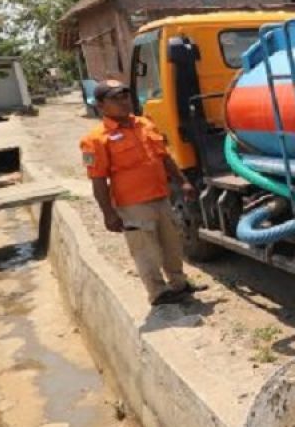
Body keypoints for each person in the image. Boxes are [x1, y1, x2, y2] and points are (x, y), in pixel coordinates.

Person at [80, 80, 203, 306]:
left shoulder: (145, 124)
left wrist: (182, 182)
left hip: (161, 197)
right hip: (133, 205)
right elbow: (98, 180)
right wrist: (108, 213)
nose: (123, 101)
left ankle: (179, 283)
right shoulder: (95, 140)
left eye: (125, 96)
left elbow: (164, 157)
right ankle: (158, 293)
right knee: (146, 251)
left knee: (172, 244)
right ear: (100, 105)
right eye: (115, 98)